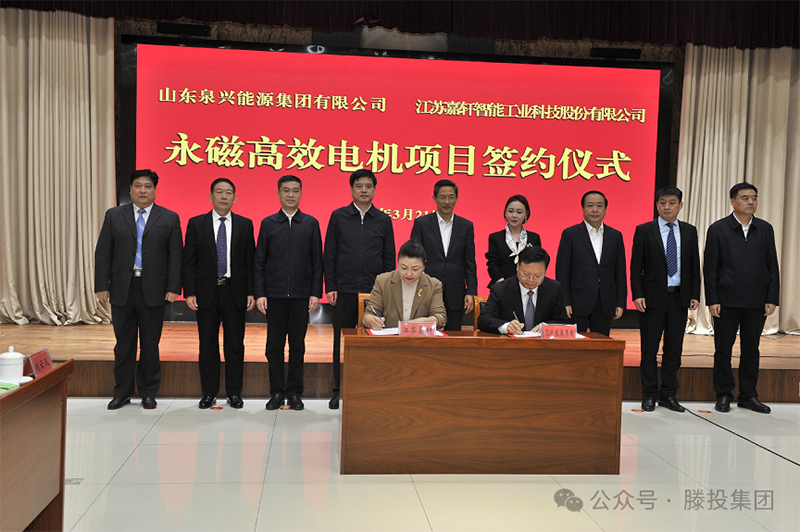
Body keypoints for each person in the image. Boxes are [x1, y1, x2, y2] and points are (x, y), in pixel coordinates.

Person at [95, 169, 182, 410]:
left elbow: (176, 256)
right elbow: (103, 252)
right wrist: (102, 285)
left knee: (150, 344)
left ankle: (148, 392)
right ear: (131, 189)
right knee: (124, 344)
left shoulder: (169, 217)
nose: (143, 190)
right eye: (138, 186)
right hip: (122, 288)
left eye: (148, 186)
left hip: (154, 288)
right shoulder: (114, 215)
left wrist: (174, 287)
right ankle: (121, 393)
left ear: (155, 190)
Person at [704, 182, 779, 414]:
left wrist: (772, 298)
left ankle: (748, 395)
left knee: (751, 349)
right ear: (732, 201)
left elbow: (772, 266)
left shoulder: (765, 229)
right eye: (745, 198)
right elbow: (710, 268)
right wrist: (712, 299)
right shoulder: (718, 229)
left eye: (754, 198)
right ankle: (723, 394)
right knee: (723, 350)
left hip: (756, 301)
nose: (751, 202)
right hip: (726, 300)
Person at [324, 169, 395, 409]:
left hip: (374, 293)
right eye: (359, 186)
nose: (364, 190)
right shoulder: (338, 217)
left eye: (368, 186)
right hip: (344, 290)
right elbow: (330, 254)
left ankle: (370, 390)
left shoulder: (383, 220)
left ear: (374, 190)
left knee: (373, 342)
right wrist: (331, 286)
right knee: (341, 342)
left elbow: (388, 258)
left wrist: (387, 291)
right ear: (352, 189)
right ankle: (338, 391)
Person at [183, 178, 255, 410]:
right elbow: (189, 261)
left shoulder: (245, 224)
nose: (224, 196)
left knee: (235, 345)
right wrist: (189, 292)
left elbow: (249, 262)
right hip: (206, 292)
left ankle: (234, 393)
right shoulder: (196, 223)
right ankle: (209, 393)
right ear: (210, 196)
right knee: (207, 345)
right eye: (219, 192)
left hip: (235, 291)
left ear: (235, 198)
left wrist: (251, 291)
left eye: (228, 193)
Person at [254, 175, 323, 411]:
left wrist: (315, 292)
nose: (290, 195)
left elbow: (317, 261)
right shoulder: (268, 223)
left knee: (297, 346)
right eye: (286, 190)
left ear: (301, 193)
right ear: (278, 194)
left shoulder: (311, 223)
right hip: (274, 295)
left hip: (301, 296)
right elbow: (260, 261)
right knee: (274, 346)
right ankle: (276, 391)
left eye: (295, 190)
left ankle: (294, 392)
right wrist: (260, 292)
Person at [630, 187, 700, 413]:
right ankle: (649, 394)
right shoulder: (644, 230)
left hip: (679, 297)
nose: (667, 207)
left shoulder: (689, 231)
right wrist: (637, 294)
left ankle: (669, 394)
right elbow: (635, 266)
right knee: (649, 348)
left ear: (680, 206)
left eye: (672, 203)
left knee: (674, 348)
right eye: (662, 202)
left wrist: (695, 294)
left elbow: (694, 265)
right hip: (652, 298)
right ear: (657, 205)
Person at [555, 190, 626, 336]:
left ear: (605, 210)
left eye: (599, 206)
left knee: (601, 343)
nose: (595, 210)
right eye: (590, 205)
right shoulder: (570, 234)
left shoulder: (615, 236)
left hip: (605, 300)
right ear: (582, 209)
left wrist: (620, 302)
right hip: (577, 301)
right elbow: (562, 271)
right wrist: (565, 301)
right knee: (575, 344)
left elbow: (620, 271)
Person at [410, 179, 478, 331]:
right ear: (434, 198)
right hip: (427, 289)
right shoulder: (422, 224)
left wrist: (471, 291)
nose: (447, 202)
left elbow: (470, 261)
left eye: (451, 197)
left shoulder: (466, 226)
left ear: (456, 198)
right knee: (425, 334)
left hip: (456, 291)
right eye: (442, 197)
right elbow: (414, 257)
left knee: (454, 334)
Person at [478, 246, 568, 334]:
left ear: (545, 271)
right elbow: (484, 320)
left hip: (542, 343)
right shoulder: (501, 289)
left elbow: (562, 320)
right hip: (511, 343)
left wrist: (545, 327)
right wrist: (506, 327)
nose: (531, 280)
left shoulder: (554, 288)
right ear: (518, 266)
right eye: (526, 274)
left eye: (537, 276)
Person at [363, 239, 447, 330]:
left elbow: (440, 316)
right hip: (390, 337)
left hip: (420, 337)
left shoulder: (434, 285)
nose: (409, 274)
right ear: (398, 263)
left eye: (415, 269)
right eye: (403, 268)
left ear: (423, 266)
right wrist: (372, 321)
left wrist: (423, 322)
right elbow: (368, 315)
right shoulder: (383, 281)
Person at [486, 194, 541, 287]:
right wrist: (502, 283)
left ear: (526, 214)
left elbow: (538, 264)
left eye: (519, 212)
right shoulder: (495, 237)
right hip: (502, 287)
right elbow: (492, 264)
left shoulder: (534, 238)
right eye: (511, 211)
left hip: (528, 287)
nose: (514, 215)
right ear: (505, 213)